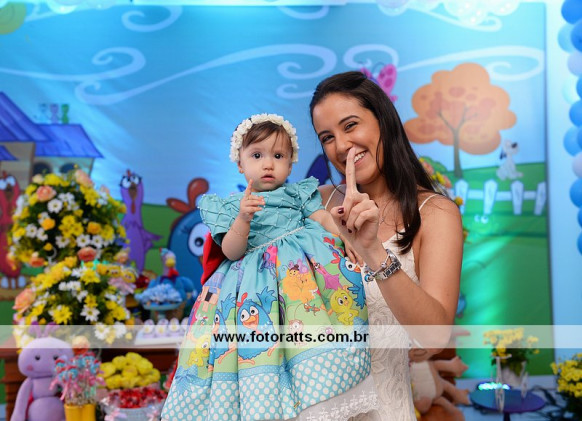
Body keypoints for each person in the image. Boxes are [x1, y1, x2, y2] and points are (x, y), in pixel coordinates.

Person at [162, 113, 378, 421]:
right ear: (240, 163)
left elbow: (323, 218)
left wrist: (346, 237)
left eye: (278, 156)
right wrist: (243, 219)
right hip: (253, 286)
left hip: (299, 280)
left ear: (290, 165)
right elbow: (231, 251)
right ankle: (262, 396)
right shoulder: (231, 206)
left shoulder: (297, 194)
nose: (268, 164)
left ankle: (317, 385)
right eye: (257, 155)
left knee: (310, 328)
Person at [309, 71, 464, 420]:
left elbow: (434, 336)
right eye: (327, 137)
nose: (341, 146)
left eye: (351, 125)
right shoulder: (315, 204)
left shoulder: (435, 213)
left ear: (383, 120)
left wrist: (373, 251)